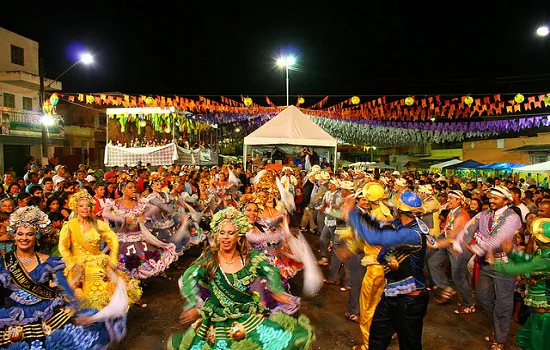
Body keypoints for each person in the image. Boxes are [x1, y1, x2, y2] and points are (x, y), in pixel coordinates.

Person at [168, 207, 315, 350]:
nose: (225, 237)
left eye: (230, 233)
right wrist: (191, 304)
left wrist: (276, 289)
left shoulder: (251, 259)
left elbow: (271, 270)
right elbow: (189, 276)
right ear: (217, 235)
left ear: (238, 236)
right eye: (222, 232)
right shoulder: (210, 259)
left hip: (247, 320)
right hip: (217, 324)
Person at [0, 206, 126, 349]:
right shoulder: (3, 262)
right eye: (20, 234)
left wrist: (77, 311)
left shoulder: (49, 261)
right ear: (14, 235)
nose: (24, 238)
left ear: (36, 237)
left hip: (47, 316)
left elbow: (64, 288)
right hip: (11, 319)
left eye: (29, 234)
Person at [345, 191, 430, 350]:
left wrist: (351, 213)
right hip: (392, 293)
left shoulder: (413, 234)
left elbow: (374, 237)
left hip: (409, 301)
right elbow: (377, 226)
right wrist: (356, 212)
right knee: (377, 337)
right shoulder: (400, 224)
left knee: (409, 345)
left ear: (400, 210)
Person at [453, 185, 522, 350]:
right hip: (485, 264)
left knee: (503, 303)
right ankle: (499, 327)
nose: (491, 200)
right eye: (490, 197)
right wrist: (461, 241)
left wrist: (476, 248)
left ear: (506, 200)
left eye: (495, 198)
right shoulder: (484, 215)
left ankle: (501, 339)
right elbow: (468, 229)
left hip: (504, 265)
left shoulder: (512, 217)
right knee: (483, 297)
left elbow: (497, 240)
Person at [59, 190, 142, 309]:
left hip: (99, 261)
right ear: (75, 208)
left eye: (88, 205)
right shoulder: (69, 226)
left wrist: (113, 260)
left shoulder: (97, 224)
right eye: (81, 206)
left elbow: (113, 239)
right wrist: (72, 263)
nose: (85, 208)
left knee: (115, 288)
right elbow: (63, 247)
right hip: (78, 265)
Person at [102, 180, 178, 280]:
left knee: (143, 260)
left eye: (134, 187)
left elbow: (155, 208)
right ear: (123, 190)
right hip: (124, 239)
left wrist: (144, 216)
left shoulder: (140, 202)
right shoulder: (115, 203)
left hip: (139, 237)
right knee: (125, 263)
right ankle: (130, 284)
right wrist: (123, 219)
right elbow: (105, 214)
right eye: (130, 187)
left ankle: (139, 282)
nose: (134, 189)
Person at [493, 217, 550, 350]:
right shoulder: (543, 254)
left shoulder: (546, 260)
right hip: (538, 314)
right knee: (524, 339)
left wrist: (494, 262)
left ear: (537, 239)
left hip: (544, 316)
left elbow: (517, 268)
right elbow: (527, 259)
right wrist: (511, 253)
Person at [428, 190, 474, 313]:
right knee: (433, 263)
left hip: (458, 250)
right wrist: (437, 239)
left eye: (451, 198)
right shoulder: (452, 212)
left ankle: (469, 304)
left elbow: (452, 238)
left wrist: (435, 244)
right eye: (448, 198)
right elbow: (446, 231)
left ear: (459, 200)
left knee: (458, 278)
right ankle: (447, 289)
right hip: (449, 248)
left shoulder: (462, 216)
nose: (448, 200)